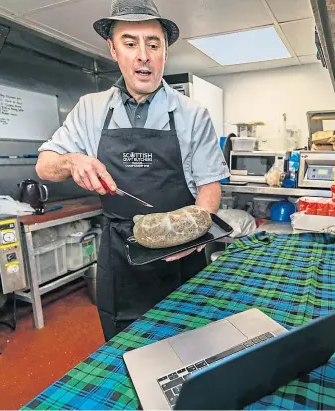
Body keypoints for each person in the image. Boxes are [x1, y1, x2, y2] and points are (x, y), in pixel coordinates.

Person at [35, 0, 230, 341]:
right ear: (113, 49)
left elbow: (210, 185)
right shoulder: (89, 109)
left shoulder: (192, 113)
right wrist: (71, 161)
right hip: (119, 249)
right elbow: (45, 166)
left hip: (183, 251)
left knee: (190, 340)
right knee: (125, 343)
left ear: (164, 52)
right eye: (130, 43)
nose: (143, 55)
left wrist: (195, 231)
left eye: (153, 44)